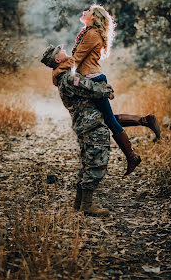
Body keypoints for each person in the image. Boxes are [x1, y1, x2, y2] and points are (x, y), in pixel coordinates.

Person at [52, 4, 161, 176]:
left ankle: (132, 156)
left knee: (108, 120)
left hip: (93, 79)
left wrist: (57, 71)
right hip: (93, 78)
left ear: (94, 16)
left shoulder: (92, 34)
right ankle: (144, 121)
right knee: (104, 118)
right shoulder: (89, 32)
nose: (84, 11)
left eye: (87, 11)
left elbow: (76, 59)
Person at [41, 44, 114, 216]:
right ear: (58, 60)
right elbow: (90, 88)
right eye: (60, 51)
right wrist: (107, 90)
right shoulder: (67, 78)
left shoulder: (63, 77)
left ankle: (80, 202)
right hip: (91, 125)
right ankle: (87, 205)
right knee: (96, 162)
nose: (64, 50)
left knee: (88, 162)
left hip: (85, 125)